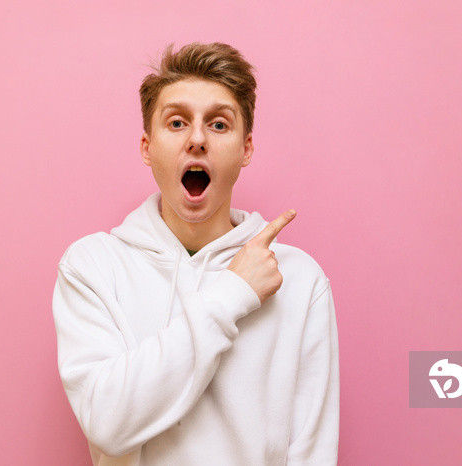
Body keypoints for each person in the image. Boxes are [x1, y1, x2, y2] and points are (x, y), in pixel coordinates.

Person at [53, 42, 339, 466]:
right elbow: (108, 425)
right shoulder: (92, 266)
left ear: (246, 148)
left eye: (219, 125)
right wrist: (232, 294)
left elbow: (311, 452)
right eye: (177, 122)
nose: (198, 139)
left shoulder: (298, 279)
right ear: (147, 146)